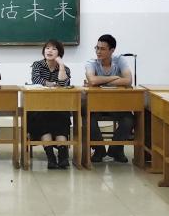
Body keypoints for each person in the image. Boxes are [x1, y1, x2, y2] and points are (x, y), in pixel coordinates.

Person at [84, 34, 134, 163]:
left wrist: (101, 81)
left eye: (102, 49)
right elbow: (92, 80)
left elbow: (128, 80)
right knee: (88, 118)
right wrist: (114, 78)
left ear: (112, 50)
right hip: (96, 105)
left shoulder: (120, 60)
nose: (98, 51)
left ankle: (116, 149)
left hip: (117, 104)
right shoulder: (91, 63)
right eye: (97, 48)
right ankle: (99, 150)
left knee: (129, 119)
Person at [30, 39, 73, 169]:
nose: (49, 51)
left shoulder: (65, 68)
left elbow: (64, 84)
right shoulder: (37, 65)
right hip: (39, 105)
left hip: (59, 106)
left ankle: (63, 156)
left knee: (62, 117)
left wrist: (61, 66)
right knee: (42, 117)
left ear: (59, 53)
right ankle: (51, 157)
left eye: (54, 49)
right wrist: (54, 84)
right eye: (47, 48)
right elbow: (36, 80)